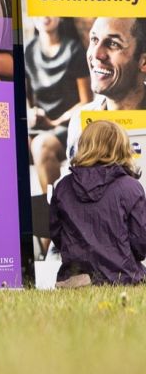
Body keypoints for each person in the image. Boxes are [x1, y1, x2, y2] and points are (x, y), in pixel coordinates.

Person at [49, 119, 146, 287]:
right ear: (121, 147)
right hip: (122, 276)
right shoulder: (131, 187)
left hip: (73, 273)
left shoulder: (63, 186)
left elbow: (57, 235)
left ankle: (86, 278)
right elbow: (140, 244)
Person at [65, 17, 146, 162]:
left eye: (113, 44)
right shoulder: (80, 121)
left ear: (144, 62)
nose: (96, 54)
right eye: (94, 40)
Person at [27, 17, 92, 194]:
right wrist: (31, 114)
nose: (45, 16)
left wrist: (53, 122)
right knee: (7, 146)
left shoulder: (74, 50)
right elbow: (26, 100)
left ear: (60, 18)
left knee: (41, 146)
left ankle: (54, 214)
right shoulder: (28, 50)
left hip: (67, 125)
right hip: (40, 126)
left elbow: (86, 102)